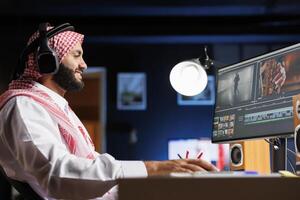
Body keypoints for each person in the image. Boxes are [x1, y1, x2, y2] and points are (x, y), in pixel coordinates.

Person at [0, 22, 218, 199]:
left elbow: (92, 169)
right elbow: (59, 176)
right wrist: (154, 168)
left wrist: (163, 175)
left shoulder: (49, 106)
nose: (84, 64)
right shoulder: (24, 106)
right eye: (76, 55)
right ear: (47, 61)